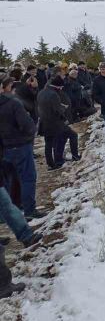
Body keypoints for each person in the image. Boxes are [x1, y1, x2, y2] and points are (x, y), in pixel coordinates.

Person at [0, 78, 44, 219]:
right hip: (20, 145)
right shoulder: (13, 103)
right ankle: (29, 210)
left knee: (7, 180)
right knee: (27, 178)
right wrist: (30, 131)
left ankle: (6, 213)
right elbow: (27, 125)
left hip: (3, 149)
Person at [37, 76, 79, 169]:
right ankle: (69, 158)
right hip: (55, 123)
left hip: (44, 122)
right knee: (71, 136)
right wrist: (64, 111)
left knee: (48, 143)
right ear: (58, 86)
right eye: (61, 87)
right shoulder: (53, 94)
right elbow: (57, 110)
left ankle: (50, 164)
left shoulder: (41, 92)